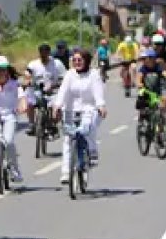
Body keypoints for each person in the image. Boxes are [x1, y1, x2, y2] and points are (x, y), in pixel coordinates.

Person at [49, 49, 107, 184]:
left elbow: (98, 92)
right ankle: (66, 172)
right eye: (74, 60)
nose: (77, 63)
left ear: (86, 60)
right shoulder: (69, 75)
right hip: (71, 111)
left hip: (89, 109)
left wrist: (101, 105)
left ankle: (92, 152)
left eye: (79, 60)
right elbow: (62, 91)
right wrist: (57, 106)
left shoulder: (94, 75)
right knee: (68, 140)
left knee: (88, 129)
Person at [0, 55, 26, 183]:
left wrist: (22, 105)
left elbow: (22, 97)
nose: (1, 72)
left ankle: (14, 169)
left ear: (8, 70)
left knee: (9, 142)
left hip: (9, 115)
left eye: (4, 69)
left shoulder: (14, 84)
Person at [26, 44, 67, 134]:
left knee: (56, 111)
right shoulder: (33, 64)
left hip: (54, 92)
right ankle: (31, 124)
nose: (44, 56)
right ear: (39, 53)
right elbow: (28, 73)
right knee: (30, 102)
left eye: (46, 54)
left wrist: (54, 85)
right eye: (42, 54)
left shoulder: (57, 63)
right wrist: (28, 80)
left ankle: (53, 124)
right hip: (38, 91)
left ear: (49, 53)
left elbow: (65, 78)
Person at [136, 48, 166, 122]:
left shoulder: (158, 67)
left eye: (145, 58)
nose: (144, 60)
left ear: (152, 59)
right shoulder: (143, 68)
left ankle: (163, 117)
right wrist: (139, 83)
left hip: (158, 90)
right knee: (141, 102)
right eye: (143, 59)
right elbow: (139, 77)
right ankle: (141, 119)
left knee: (165, 99)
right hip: (147, 90)